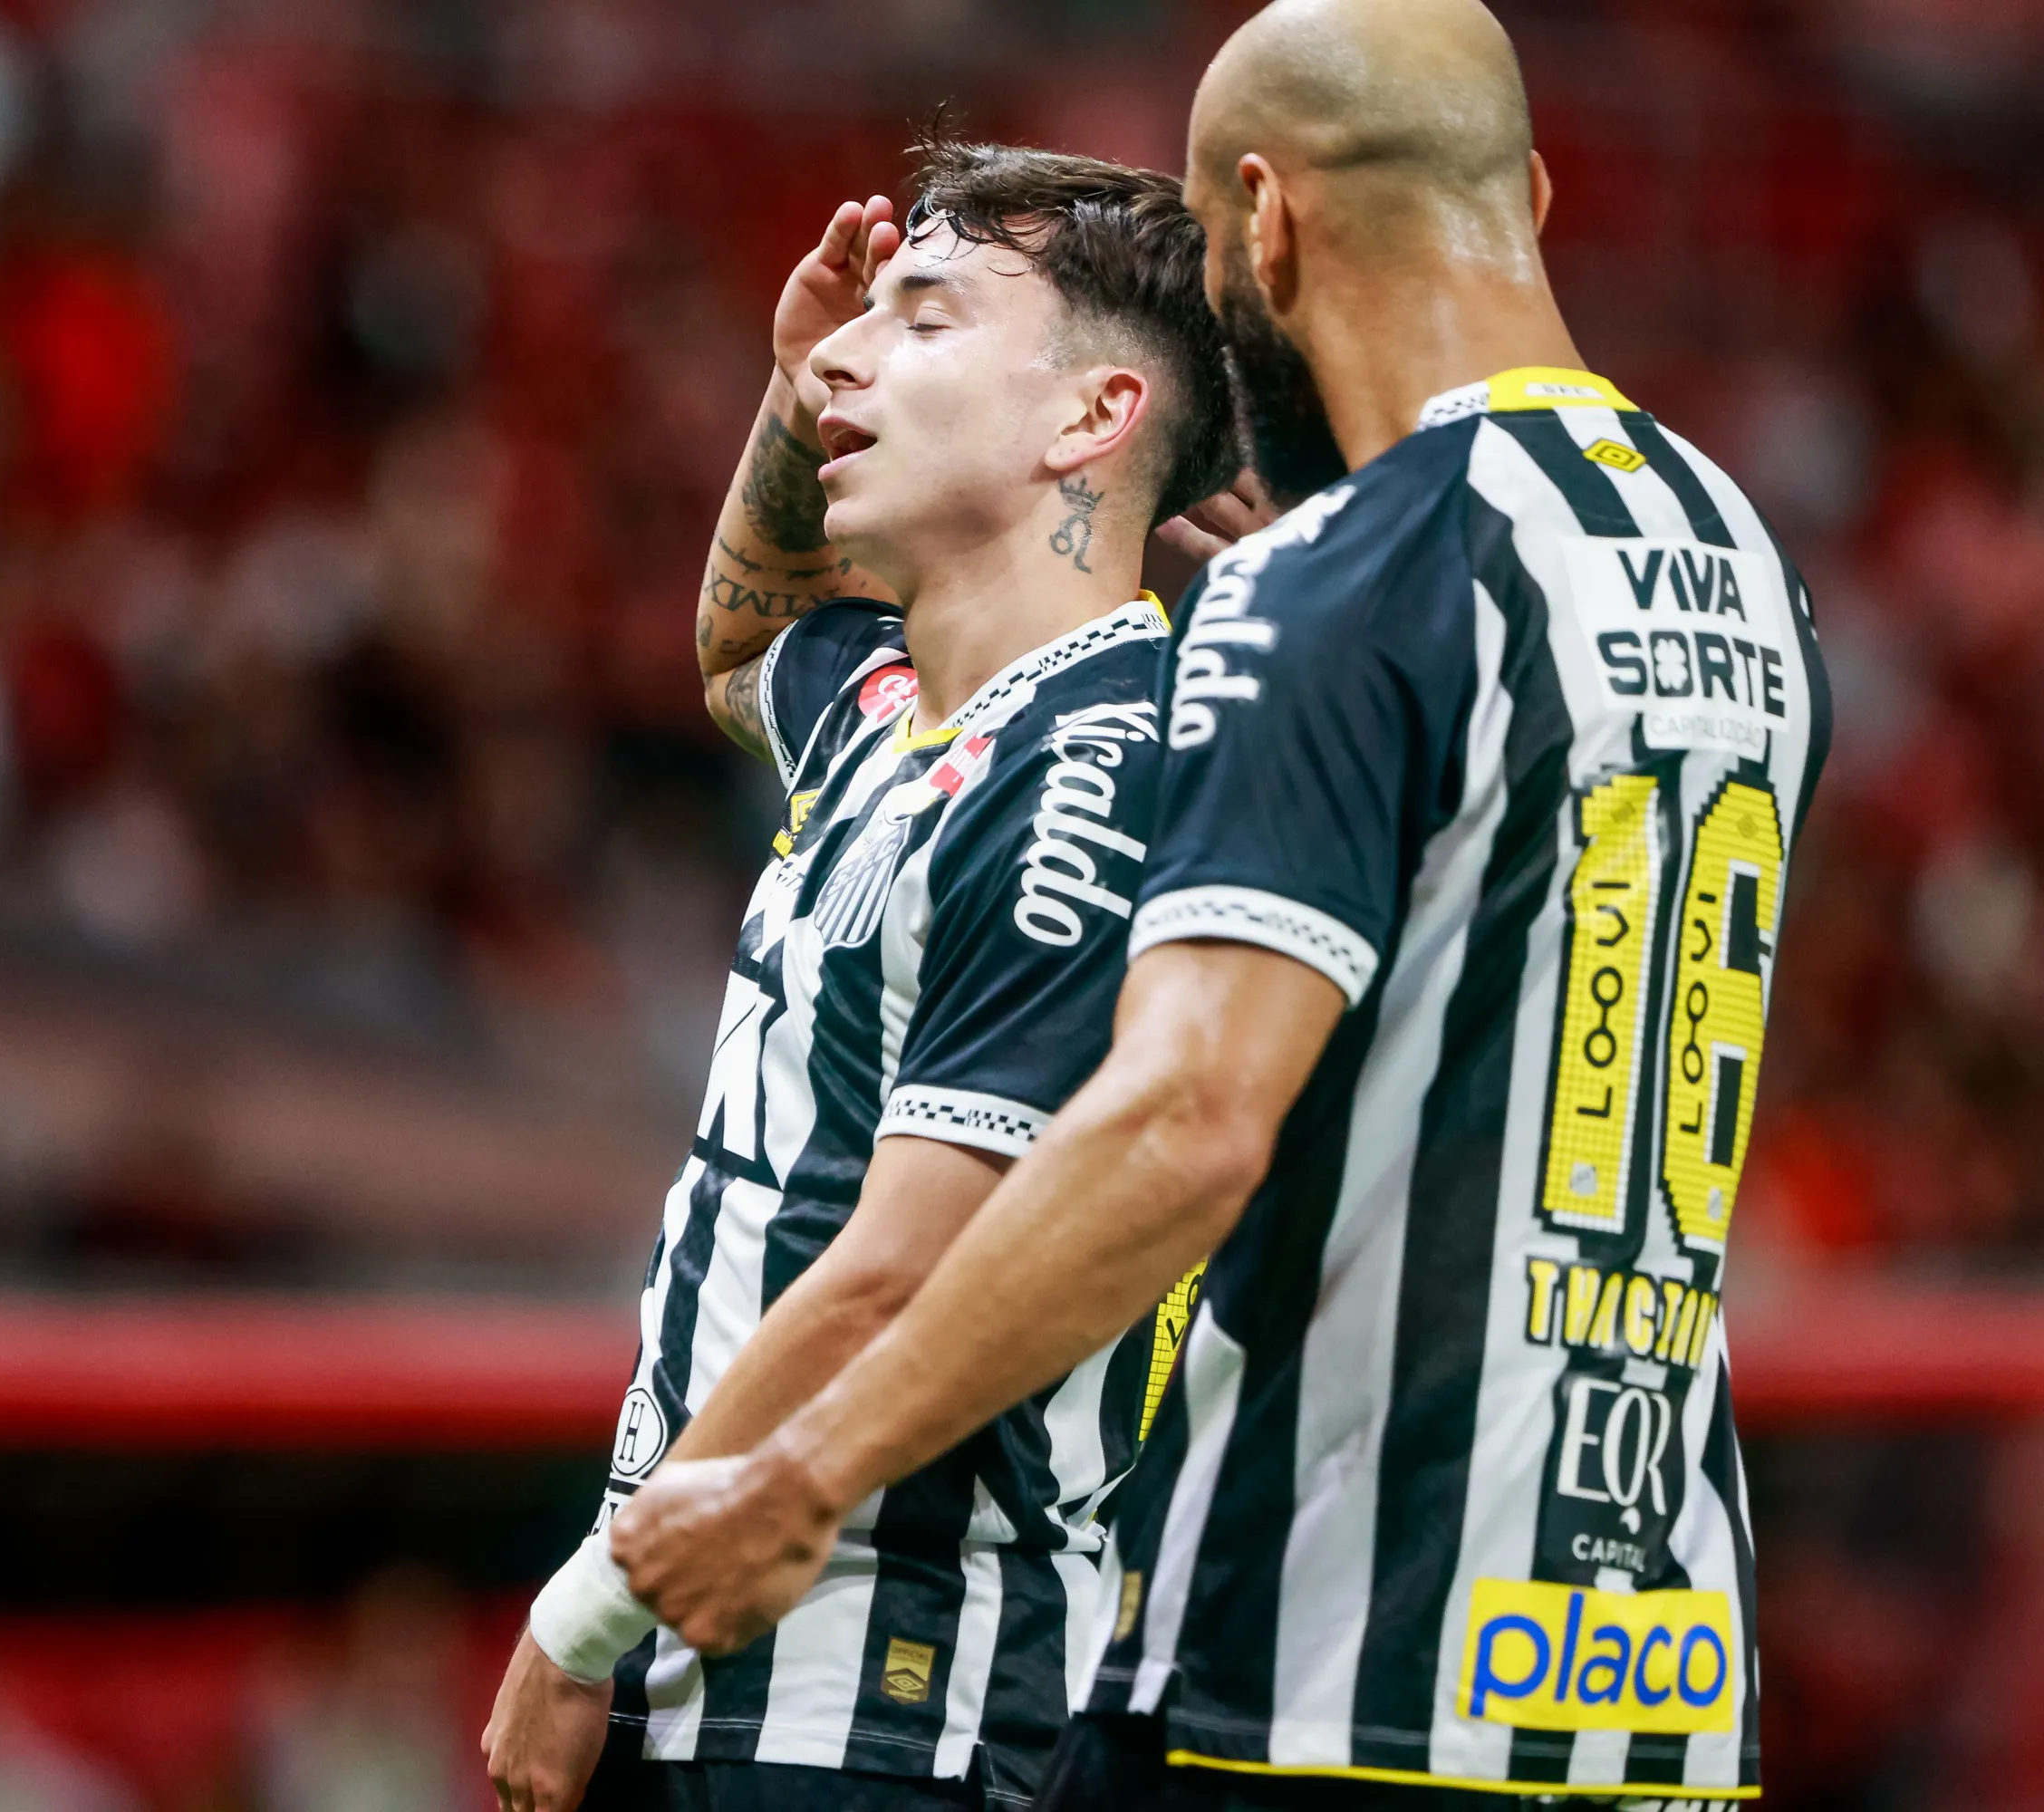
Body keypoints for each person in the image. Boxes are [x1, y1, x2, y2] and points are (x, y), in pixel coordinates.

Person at [608, 2, 1832, 1807]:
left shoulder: (1343, 583)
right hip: (1649, 1651)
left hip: (1333, 1653)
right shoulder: (1733, 551)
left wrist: (796, 1478)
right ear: (1532, 196)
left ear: (1263, 221)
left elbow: (1185, 1122)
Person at [480, 137, 1244, 1812]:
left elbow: (905, 1271)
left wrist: (582, 1621)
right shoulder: (897, 711)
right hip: (726, 1661)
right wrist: (787, 395)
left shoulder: (1092, 776)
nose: (845, 352)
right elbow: (747, 644)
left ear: (1093, 417)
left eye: (928, 316)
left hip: (891, 1706)